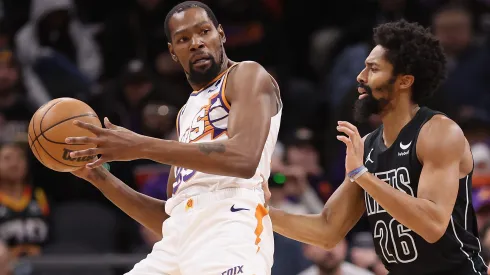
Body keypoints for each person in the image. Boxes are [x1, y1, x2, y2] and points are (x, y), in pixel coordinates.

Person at [64, 1, 281, 275]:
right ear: (173, 52)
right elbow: (173, 218)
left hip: (232, 227)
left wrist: (139, 145)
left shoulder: (247, 74)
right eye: (183, 38)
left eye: (204, 32)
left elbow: (244, 158)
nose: (196, 43)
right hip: (175, 246)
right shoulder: (186, 113)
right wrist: (98, 177)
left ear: (221, 34)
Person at [267, 20, 488, 275]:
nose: (361, 77)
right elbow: (327, 230)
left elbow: (432, 224)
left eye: (373, 69)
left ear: (404, 81)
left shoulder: (438, 132)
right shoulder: (369, 146)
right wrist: (257, 211)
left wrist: (362, 176)